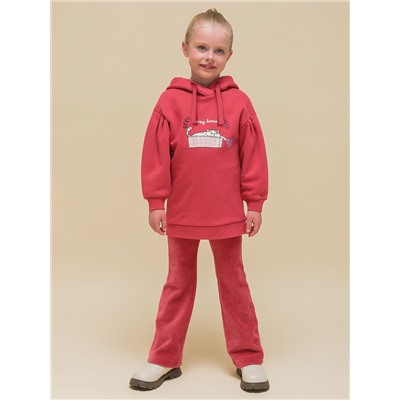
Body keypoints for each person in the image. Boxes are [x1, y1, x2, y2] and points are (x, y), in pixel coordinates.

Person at [129, 8, 270, 393]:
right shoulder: (169, 102)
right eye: (202, 47)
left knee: (234, 282)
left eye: (219, 50)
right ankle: (164, 357)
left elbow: (254, 156)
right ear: (185, 48)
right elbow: (155, 155)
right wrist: (155, 202)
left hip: (227, 214)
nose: (209, 57)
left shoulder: (239, 103)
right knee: (178, 283)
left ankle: (248, 356)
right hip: (183, 212)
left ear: (229, 55)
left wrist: (254, 204)